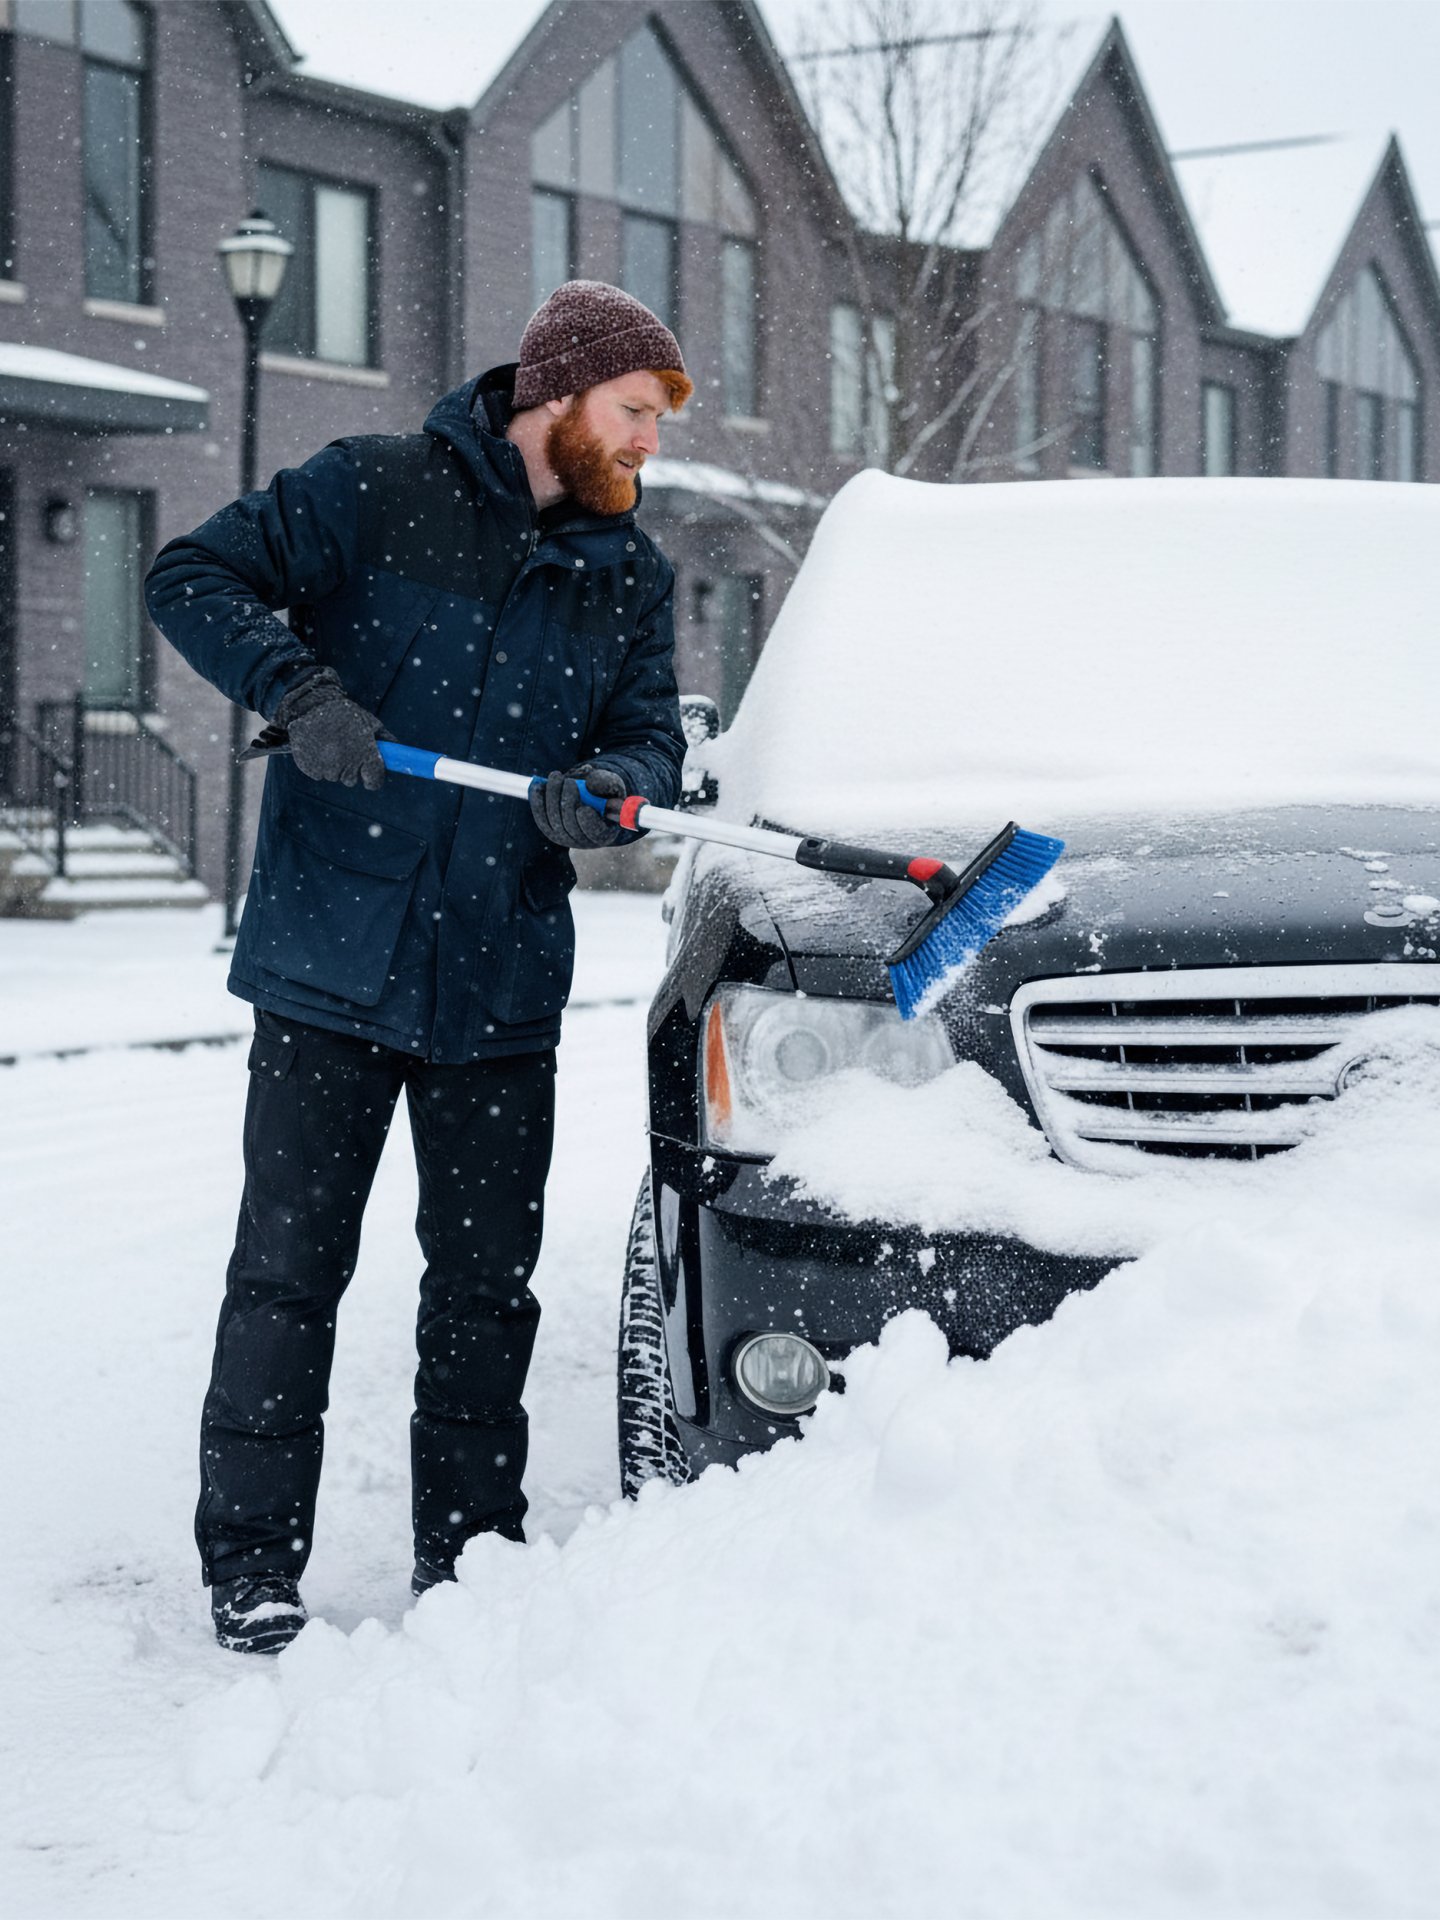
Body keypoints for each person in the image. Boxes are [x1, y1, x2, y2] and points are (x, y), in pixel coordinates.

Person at [145, 281, 691, 1654]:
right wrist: (299, 693)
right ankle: (252, 1566)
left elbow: (648, 744)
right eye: (634, 415)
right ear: (558, 392)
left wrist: (608, 785)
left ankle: (471, 1558)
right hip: (334, 959)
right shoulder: (375, 489)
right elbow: (192, 575)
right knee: (287, 1274)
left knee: (484, 1290)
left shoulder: (630, 573)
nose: (647, 447)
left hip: (500, 977)